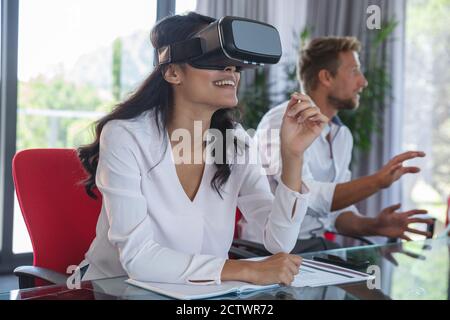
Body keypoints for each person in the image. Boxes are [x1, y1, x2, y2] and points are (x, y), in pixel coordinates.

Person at [76, 12, 329, 286]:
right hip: (113, 289)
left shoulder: (236, 142)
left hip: (197, 294)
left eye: (235, 65)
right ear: (173, 72)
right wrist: (247, 270)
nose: (231, 71)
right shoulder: (126, 136)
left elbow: (279, 241)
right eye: (216, 61)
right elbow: (138, 259)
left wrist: (293, 157)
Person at [241, 36, 433, 253]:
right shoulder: (281, 122)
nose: (363, 82)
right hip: (265, 249)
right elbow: (308, 197)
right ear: (326, 77)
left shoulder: (342, 136)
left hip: (312, 248)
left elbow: (334, 214)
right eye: (354, 71)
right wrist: (377, 182)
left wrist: (374, 225)